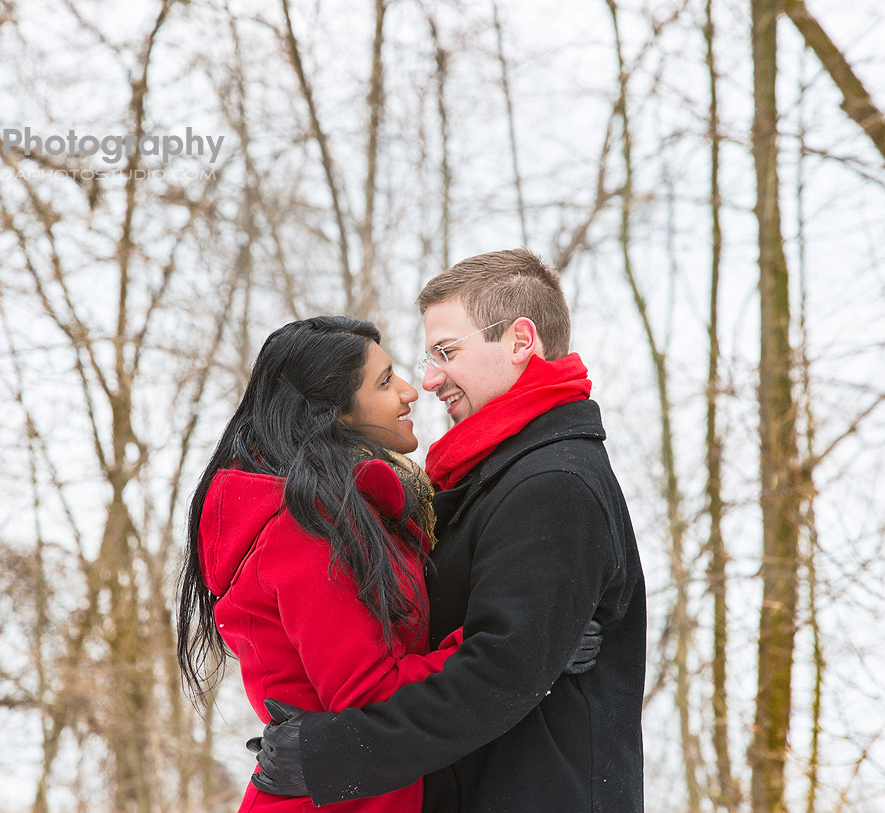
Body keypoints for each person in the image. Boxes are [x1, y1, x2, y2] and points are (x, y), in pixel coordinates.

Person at [251, 249, 647, 813]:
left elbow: (495, 675)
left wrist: (331, 756)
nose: (430, 379)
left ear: (519, 340)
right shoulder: (490, 476)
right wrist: (540, 647)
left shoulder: (554, 484)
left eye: (446, 351)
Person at [176, 315, 602, 813]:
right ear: (334, 414)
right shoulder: (301, 529)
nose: (410, 391)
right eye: (384, 382)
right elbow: (369, 695)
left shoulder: (352, 509)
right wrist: (521, 652)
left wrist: (534, 640)